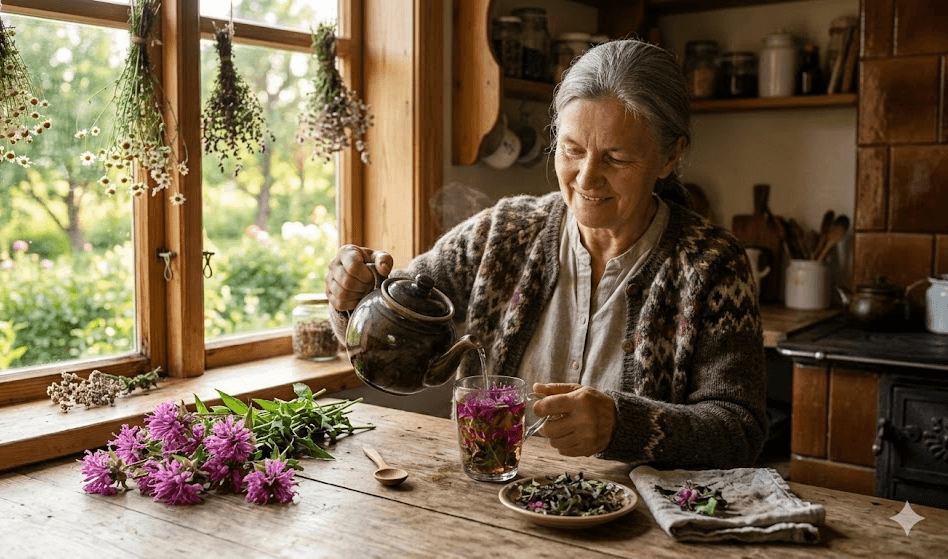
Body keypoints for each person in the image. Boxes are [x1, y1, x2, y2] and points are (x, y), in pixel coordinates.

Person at [325, 39, 767, 469]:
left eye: (616, 158)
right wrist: (354, 299)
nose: (586, 179)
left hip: (635, 529)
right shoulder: (503, 233)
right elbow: (393, 346)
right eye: (572, 150)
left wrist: (622, 425)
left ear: (669, 156)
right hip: (491, 507)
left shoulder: (711, 265)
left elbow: (739, 431)